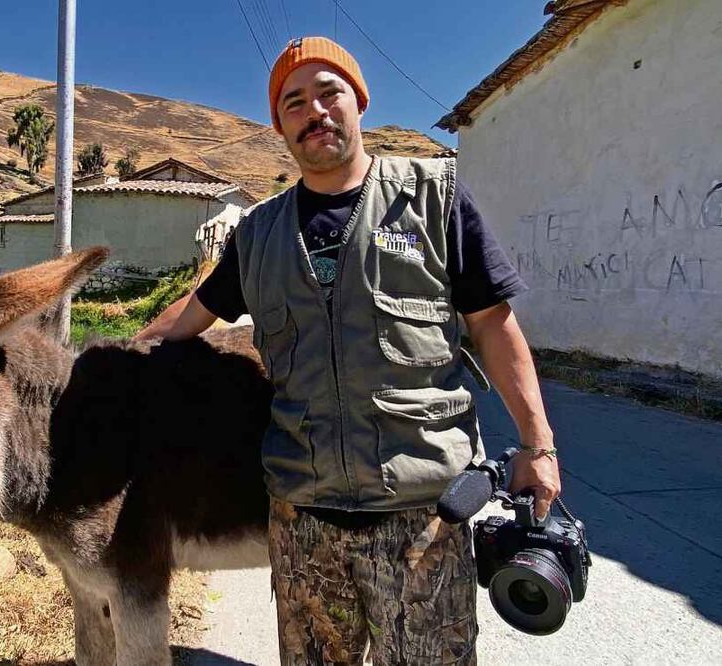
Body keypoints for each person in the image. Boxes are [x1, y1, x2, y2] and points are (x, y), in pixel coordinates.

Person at [136, 36, 561, 665]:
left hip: (423, 521)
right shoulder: (258, 236)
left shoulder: (433, 198)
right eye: (294, 102)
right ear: (280, 125)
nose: (315, 112)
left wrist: (538, 445)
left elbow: (495, 325)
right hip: (303, 523)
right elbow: (190, 315)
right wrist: (114, 354)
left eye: (329, 92)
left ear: (359, 101)